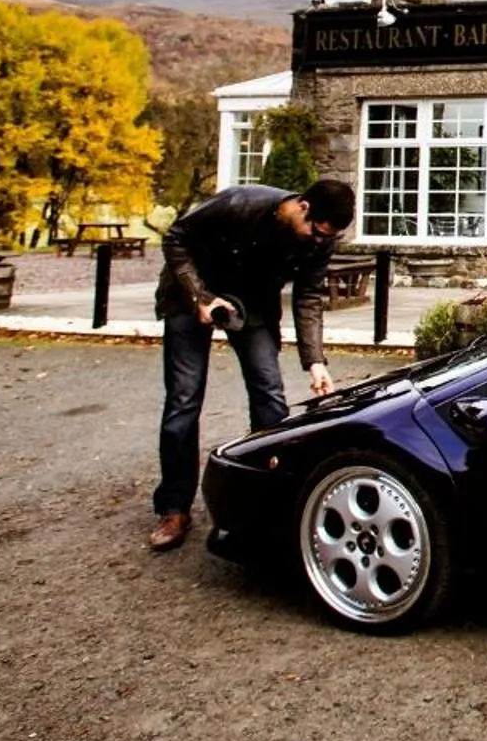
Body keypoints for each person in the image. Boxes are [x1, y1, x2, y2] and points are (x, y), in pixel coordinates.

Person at [146, 178, 355, 551]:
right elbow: (175, 237)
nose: (319, 241)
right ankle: (174, 507)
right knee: (183, 399)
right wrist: (200, 298)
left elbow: (308, 296)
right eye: (316, 231)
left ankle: (269, 502)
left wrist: (316, 362)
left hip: (253, 304)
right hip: (189, 294)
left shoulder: (321, 240)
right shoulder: (239, 202)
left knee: (269, 396)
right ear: (303, 207)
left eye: (328, 237)